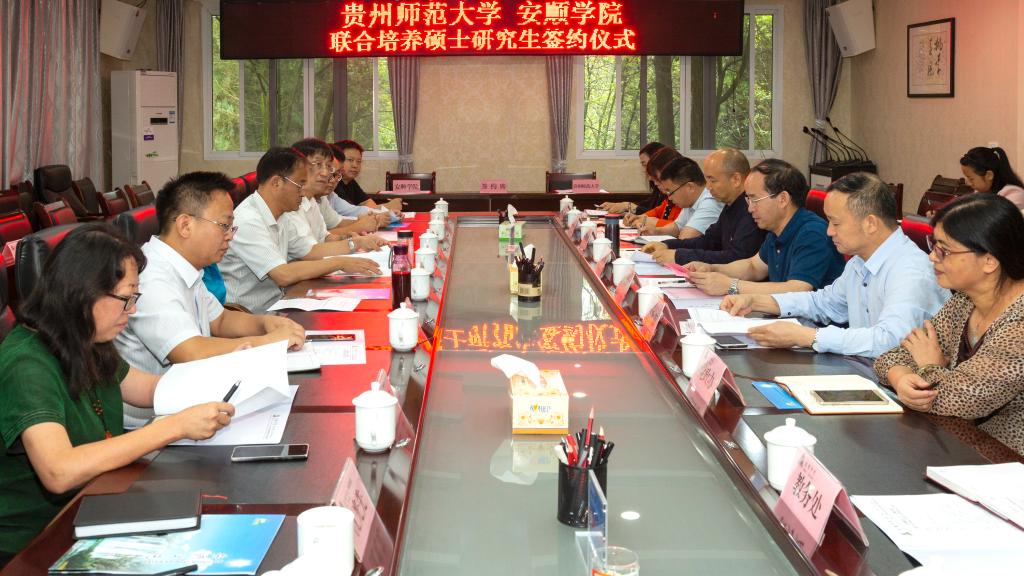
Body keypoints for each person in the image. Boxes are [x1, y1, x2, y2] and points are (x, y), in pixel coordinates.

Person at [0, 224, 233, 562]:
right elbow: (59, 471)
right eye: (126, 299)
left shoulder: (84, 336)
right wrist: (173, 427)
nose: (132, 310)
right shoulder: (27, 364)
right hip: (38, 542)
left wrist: (229, 378)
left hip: (96, 502)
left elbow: (147, 389)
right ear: (83, 292)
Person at [115, 172, 306, 427]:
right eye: (224, 225)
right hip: (152, 426)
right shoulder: (151, 278)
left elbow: (221, 320)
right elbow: (190, 351)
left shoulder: (187, 266)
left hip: (192, 403)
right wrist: (269, 342)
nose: (230, 236)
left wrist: (266, 324)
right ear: (185, 225)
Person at [720, 172, 948, 357]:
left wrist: (807, 336)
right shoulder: (859, 261)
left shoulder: (910, 271)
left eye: (835, 223)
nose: (829, 232)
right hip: (867, 368)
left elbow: (890, 341)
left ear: (870, 223)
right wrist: (756, 301)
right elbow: (823, 303)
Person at [875, 194, 1024, 454]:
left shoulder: (1019, 324)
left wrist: (928, 366)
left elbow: (962, 399)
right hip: (958, 444)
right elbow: (893, 356)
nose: (932, 257)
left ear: (990, 260)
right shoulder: (965, 300)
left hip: (1007, 460)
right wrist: (901, 379)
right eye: (933, 245)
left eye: (944, 250)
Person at [220, 147, 383, 314]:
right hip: (252, 315)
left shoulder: (282, 214)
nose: (304, 192)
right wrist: (339, 262)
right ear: (276, 183)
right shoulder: (248, 220)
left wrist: (353, 244)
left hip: (281, 302)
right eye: (300, 184)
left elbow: (309, 251)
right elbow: (283, 275)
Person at [684, 159, 845, 296]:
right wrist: (712, 268)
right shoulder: (776, 229)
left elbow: (797, 289)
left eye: (755, 200)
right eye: (748, 200)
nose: (750, 208)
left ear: (782, 199)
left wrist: (730, 285)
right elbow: (753, 267)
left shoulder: (812, 233)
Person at [642, 148, 765, 266]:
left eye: (713, 180)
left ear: (736, 179)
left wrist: (678, 255)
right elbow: (708, 241)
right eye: (707, 180)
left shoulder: (752, 209)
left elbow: (736, 258)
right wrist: (668, 245)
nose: (708, 187)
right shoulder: (731, 205)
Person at [284, 138, 389, 252]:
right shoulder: (291, 206)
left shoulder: (311, 201)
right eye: (318, 164)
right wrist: (354, 242)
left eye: (328, 167)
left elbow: (324, 237)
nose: (326, 174)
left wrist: (352, 239)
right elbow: (308, 253)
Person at [640, 154, 723, 240]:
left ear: (690, 187)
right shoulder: (690, 201)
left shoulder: (710, 202)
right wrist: (656, 231)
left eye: (670, 192)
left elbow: (686, 238)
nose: (669, 198)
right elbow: (677, 227)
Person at [332, 139, 402, 220]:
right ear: (337, 160)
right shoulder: (333, 184)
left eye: (359, 161)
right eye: (350, 160)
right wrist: (387, 207)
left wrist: (385, 209)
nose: (355, 165)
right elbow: (350, 212)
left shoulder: (350, 181)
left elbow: (366, 203)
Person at [597, 141, 667, 215]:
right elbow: (650, 205)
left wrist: (628, 206)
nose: (644, 170)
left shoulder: (668, 188)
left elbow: (657, 216)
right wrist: (619, 205)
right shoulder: (657, 187)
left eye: (645, 164)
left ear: (657, 162)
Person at [622, 147, 683, 230]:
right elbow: (657, 212)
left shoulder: (683, 199)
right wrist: (638, 217)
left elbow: (680, 227)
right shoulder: (669, 198)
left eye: (657, 178)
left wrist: (654, 222)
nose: (653, 181)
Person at [959, 146, 1024, 212]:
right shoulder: (981, 191)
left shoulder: (1014, 194)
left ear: (989, 175)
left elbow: (989, 217)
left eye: (971, 179)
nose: (967, 183)